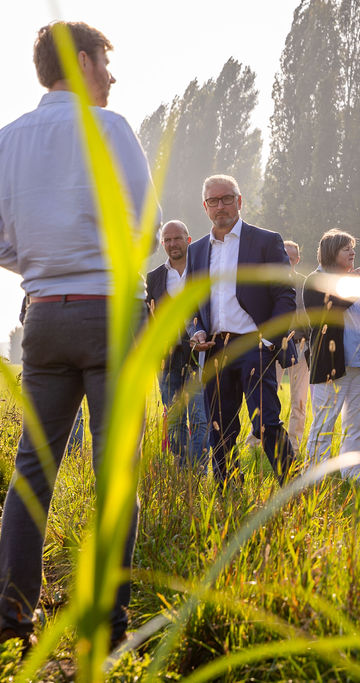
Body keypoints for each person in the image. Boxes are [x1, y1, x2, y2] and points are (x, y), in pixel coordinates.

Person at [0, 21, 157, 652]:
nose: (111, 77)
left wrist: (42, 261)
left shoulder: (7, 140)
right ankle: (107, 623)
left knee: (32, 470)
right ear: (83, 61)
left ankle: (12, 614)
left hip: (43, 315)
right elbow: (143, 226)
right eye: (105, 63)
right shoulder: (111, 130)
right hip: (112, 312)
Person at [187, 174, 296, 485]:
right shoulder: (196, 251)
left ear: (239, 201)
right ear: (204, 207)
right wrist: (196, 331)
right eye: (213, 201)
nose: (221, 206)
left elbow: (285, 295)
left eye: (227, 199)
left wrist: (270, 341)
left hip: (254, 345)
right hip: (215, 349)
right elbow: (192, 305)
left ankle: (292, 489)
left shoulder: (264, 240)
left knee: (266, 423)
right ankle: (227, 488)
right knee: (219, 425)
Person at [303, 230, 360, 479]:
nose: (352, 253)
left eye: (352, 248)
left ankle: (353, 477)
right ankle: (315, 478)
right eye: (346, 249)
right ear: (331, 253)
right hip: (330, 364)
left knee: (356, 424)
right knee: (324, 423)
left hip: (359, 364)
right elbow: (324, 316)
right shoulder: (315, 280)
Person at [146, 220, 208, 471]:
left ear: (188, 240)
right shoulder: (154, 278)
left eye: (177, 238)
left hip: (199, 354)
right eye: (167, 240)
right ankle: (181, 471)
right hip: (167, 358)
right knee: (174, 419)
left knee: (200, 418)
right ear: (162, 243)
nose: (172, 244)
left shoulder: (203, 271)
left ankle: (196, 471)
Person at [281, 239, 310, 451]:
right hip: (273, 345)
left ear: (297, 260)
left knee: (299, 400)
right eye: (283, 257)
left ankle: (294, 444)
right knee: (266, 395)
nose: (287, 261)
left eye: (291, 258)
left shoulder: (305, 284)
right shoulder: (269, 283)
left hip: (300, 345)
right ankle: (257, 442)